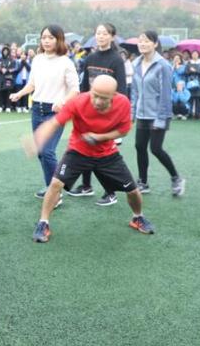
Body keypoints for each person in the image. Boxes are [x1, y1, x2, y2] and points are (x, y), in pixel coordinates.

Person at [31, 75, 155, 244]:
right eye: (94, 95)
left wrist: (100, 137)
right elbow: (55, 122)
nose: (97, 101)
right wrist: (38, 138)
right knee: (55, 184)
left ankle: (138, 217)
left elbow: (124, 130)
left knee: (133, 190)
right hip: (78, 151)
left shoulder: (123, 103)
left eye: (103, 98)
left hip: (107, 154)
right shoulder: (78, 102)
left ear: (113, 96)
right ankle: (43, 223)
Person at [8, 24, 79, 202]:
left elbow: (75, 89)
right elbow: (32, 84)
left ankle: (55, 193)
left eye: (51, 38)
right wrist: (19, 94)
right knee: (40, 152)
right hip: (37, 109)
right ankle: (51, 187)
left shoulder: (66, 62)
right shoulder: (38, 59)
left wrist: (62, 102)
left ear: (59, 39)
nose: (46, 41)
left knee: (47, 152)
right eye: (44, 37)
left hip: (55, 112)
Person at [67, 23, 127, 206]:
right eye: (98, 33)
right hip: (89, 111)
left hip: (108, 113)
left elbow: (121, 90)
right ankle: (86, 186)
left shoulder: (116, 60)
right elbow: (85, 86)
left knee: (103, 155)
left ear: (112, 37)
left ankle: (110, 192)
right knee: (86, 146)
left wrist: (115, 116)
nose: (101, 36)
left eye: (105, 33)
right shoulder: (90, 58)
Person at [131, 31, 185, 196]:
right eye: (140, 41)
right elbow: (135, 91)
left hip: (158, 114)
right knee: (140, 147)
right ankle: (143, 182)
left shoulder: (163, 65)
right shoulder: (136, 63)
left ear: (155, 44)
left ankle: (176, 178)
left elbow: (165, 94)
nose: (143, 44)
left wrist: (160, 118)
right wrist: (133, 111)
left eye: (147, 41)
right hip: (142, 113)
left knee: (155, 148)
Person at [184, 50, 200, 119]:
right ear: (191, 55)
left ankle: (197, 114)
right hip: (190, 82)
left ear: (198, 55)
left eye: (196, 54)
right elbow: (186, 72)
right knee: (190, 98)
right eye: (193, 54)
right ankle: (189, 113)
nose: (194, 55)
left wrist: (195, 71)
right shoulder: (188, 63)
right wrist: (190, 71)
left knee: (198, 99)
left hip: (199, 82)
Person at [0, 46, 17, 112]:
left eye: (6, 51)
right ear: (2, 52)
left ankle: (8, 107)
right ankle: (0, 106)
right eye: (4, 51)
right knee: (0, 92)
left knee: (8, 92)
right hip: (0, 78)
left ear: (8, 52)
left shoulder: (12, 60)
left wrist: (7, 70)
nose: (5, 52)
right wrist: (1, 69)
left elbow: (14, 69)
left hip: (8, 78)